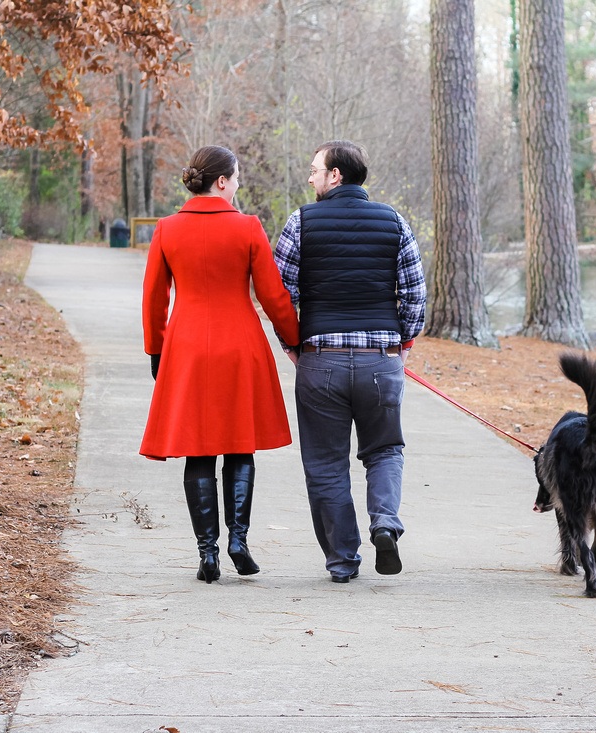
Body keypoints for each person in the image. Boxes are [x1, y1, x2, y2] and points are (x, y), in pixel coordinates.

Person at [140, 145, 300, 584]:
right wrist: (298, 339)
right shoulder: (248, 227)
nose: (240, 184)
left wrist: (156, 349)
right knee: (239, 445)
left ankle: (207, 554)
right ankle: (238, 542)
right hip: (240, 345)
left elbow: (155, 296)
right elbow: (273, 296)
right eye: (238, 177)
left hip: (188, 348)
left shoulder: (167, 229)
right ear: (223, 182)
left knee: (198, 448)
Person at [273, 140, 427, 583]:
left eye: (315, 169)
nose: (310, 177)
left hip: (321, 361)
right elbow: (414, 291)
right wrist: (404, 340)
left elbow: (279, 291)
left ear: (335, 175)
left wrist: (292, 342)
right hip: (381, 360)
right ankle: (384, 523)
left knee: (325, 463)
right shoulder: (395, 221)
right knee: (385, 450)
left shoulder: (301, 220)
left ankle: (342, 561)